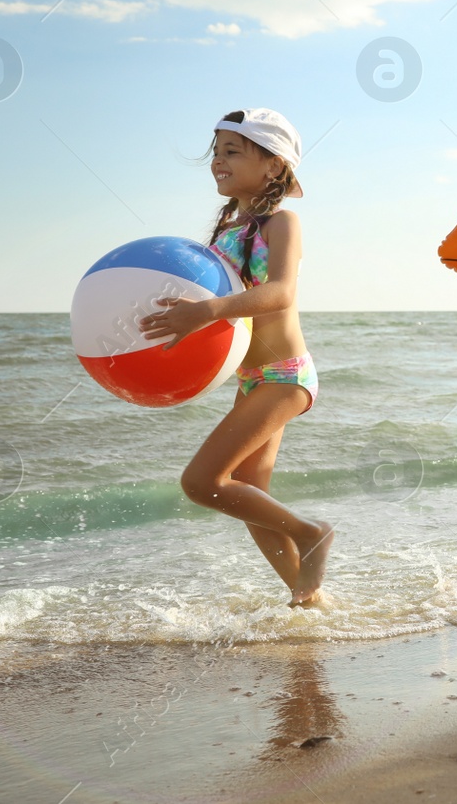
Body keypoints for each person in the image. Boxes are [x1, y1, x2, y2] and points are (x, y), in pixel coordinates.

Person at [138, 108, 333, 606]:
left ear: (272, 165)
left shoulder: (282, 222)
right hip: (253, 378)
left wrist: (206, 311)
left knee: (202, 483)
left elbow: (280, 292)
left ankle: (312, 533)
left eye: (232, 151)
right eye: (216, 152)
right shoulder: (229, 228)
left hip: (285, 376)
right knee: (249, 492)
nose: (217, 161)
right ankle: (306, 601)